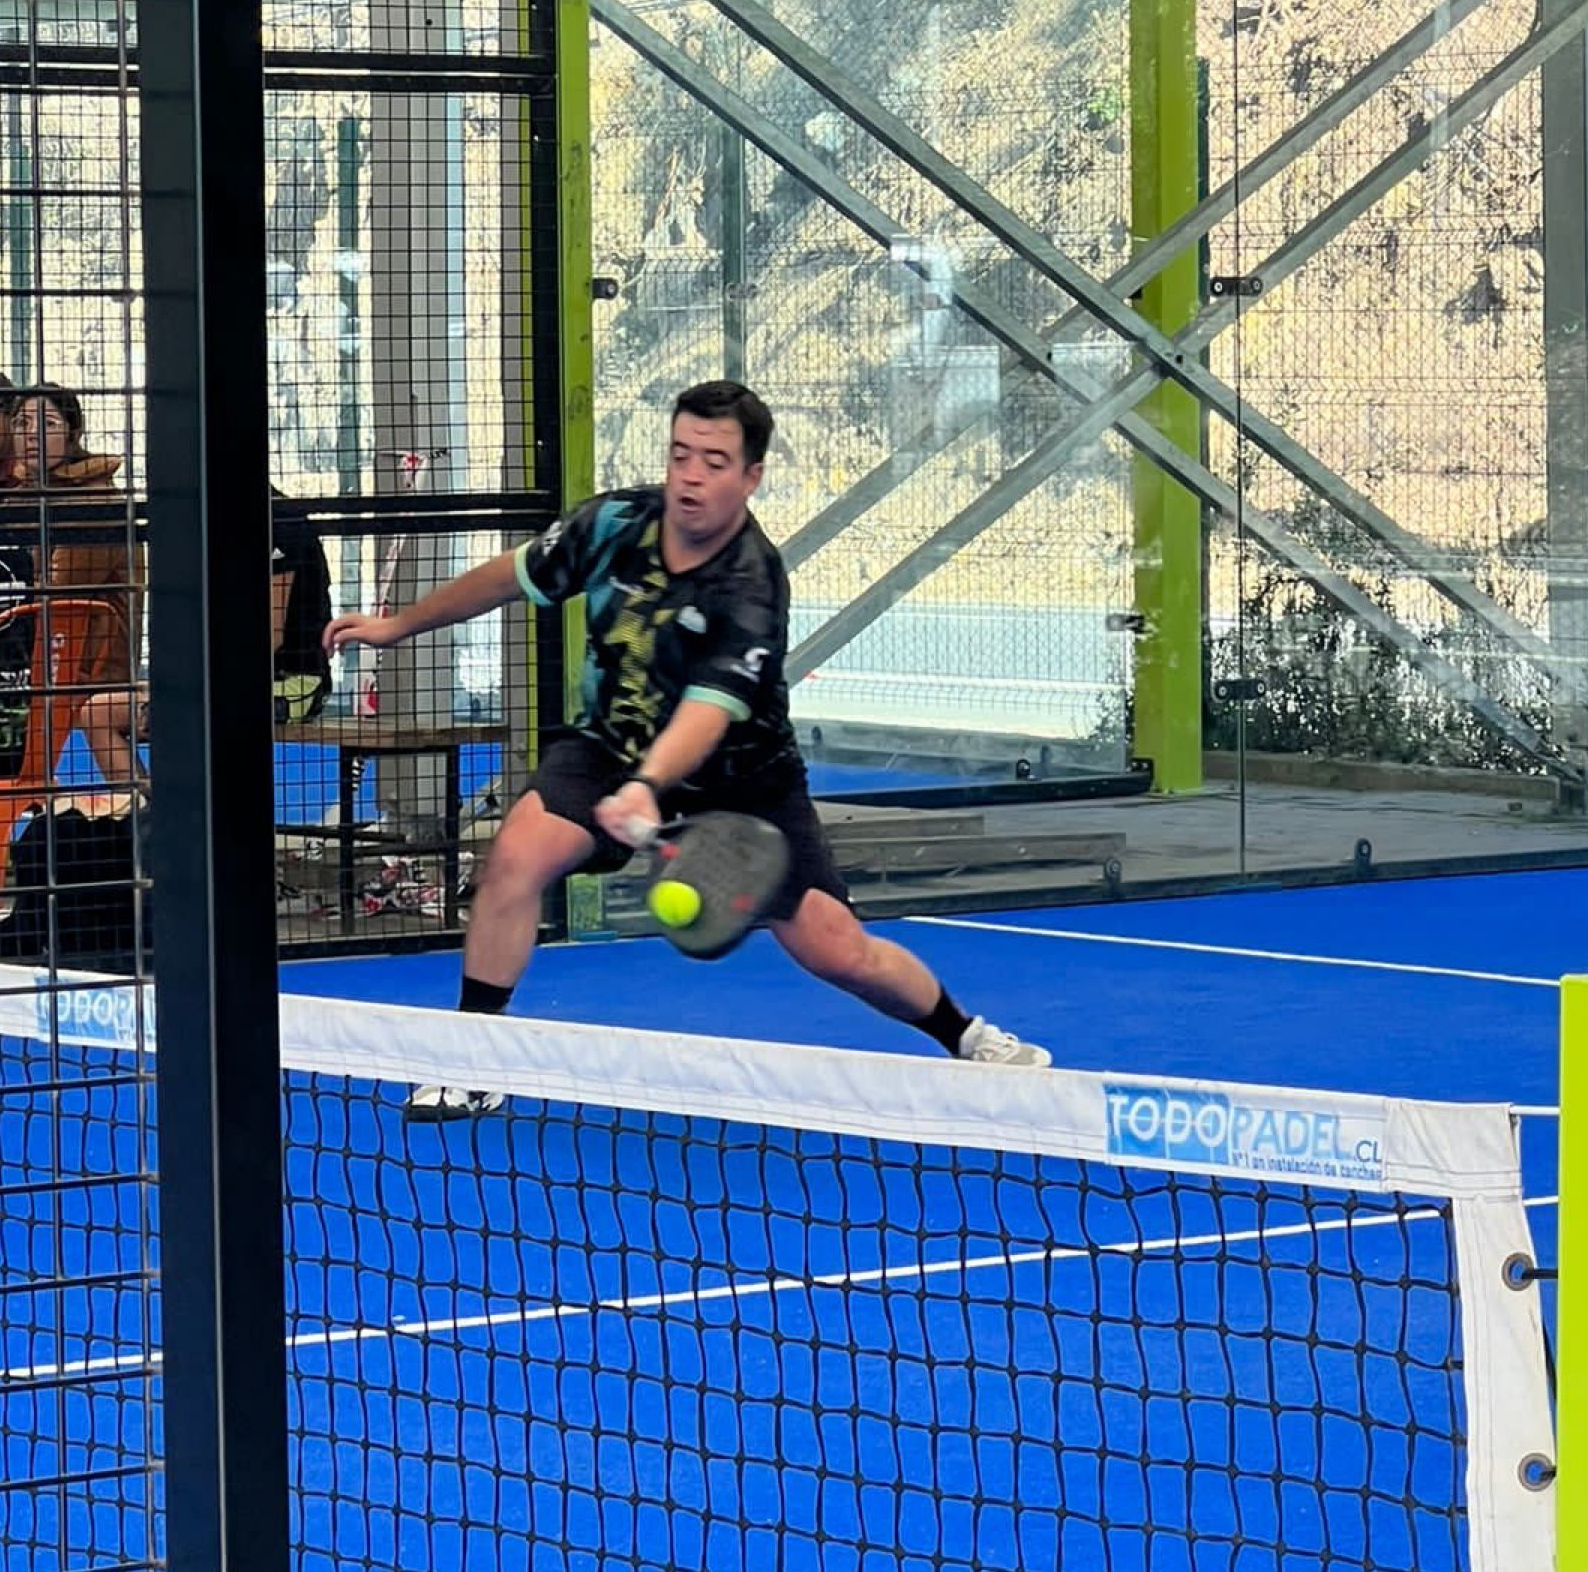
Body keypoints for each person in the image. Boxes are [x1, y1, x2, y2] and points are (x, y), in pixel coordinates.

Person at [324, 379, 1050, 1120]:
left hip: (742, 782)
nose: (691, 476)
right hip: (608, 744)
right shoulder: (614, 523)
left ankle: (968, 1037)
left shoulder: (751, 582)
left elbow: (709, 710)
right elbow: (511, 576)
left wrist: (649, 786)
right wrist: (396, 626)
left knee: (837, 950)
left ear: (751, 476)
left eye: (714, 461)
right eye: (680, 455)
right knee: (517, 853)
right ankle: (475, 1059)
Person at [82, 491, 332, 784]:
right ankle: (149, 807)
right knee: (97, 713)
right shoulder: (216, 522)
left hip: (294, 681)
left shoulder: (281, 523)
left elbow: (268, 639)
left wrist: (195, 685)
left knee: (191, 717)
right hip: (222, 682)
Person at [16, 383, 142, 694]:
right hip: (43, 670)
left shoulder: (95, 501)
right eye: (21, 423)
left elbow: (59, 592)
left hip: (91, 679)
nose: (32, 434)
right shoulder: (23, 495)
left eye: (48, 423)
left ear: (73, 434)